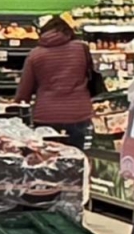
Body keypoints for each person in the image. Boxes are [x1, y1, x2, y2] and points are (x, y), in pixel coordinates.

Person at [15, 15, 95, 149]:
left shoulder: (35, 54)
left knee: (48, 156)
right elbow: (90, 74)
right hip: (77, 112)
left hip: (46, 114)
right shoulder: (81, 49)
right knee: (76, 154)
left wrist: (16, 106)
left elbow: (24, 91)